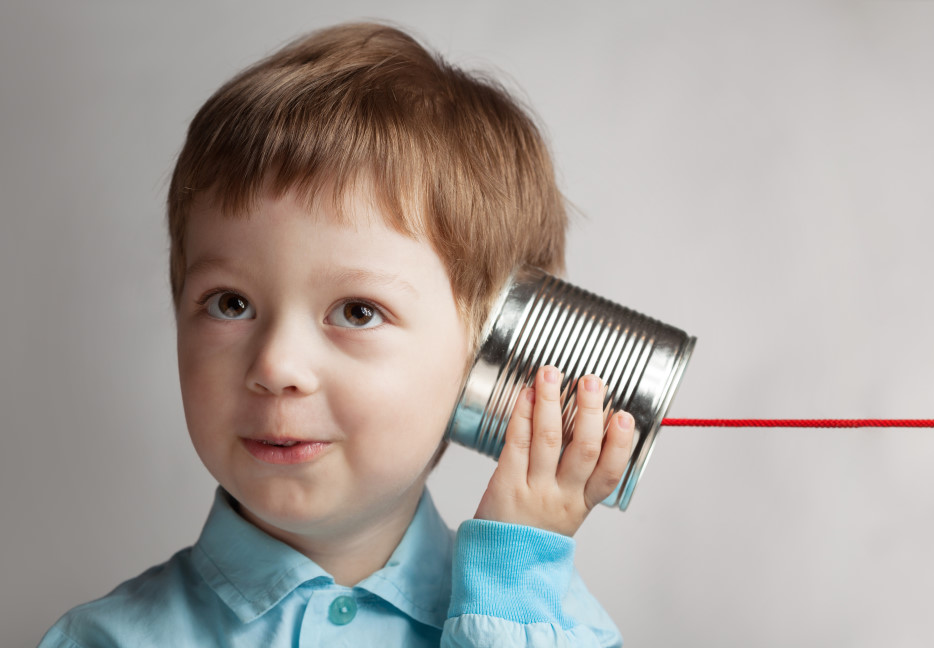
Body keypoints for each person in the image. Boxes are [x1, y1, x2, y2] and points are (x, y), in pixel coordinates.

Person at [39, 21, 636, 647]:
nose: (275, 365)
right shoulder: (102, 639)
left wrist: (510, 596)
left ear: (492, 354)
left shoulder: (549, 628)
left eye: (357, 311)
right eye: (231, 303)